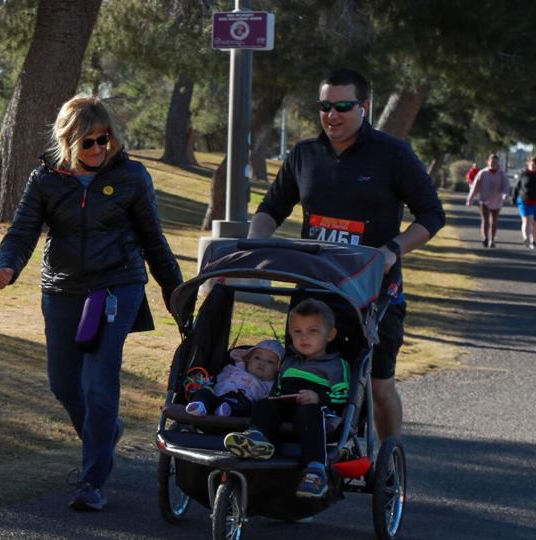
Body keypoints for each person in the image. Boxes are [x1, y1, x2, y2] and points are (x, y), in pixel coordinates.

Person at [0, 95, 183, 512]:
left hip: (117, 285)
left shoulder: (132, 176)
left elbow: (154, 239)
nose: (99, 149)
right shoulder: (45, 179)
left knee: (99, 382)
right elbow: (23, 231)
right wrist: (6, 264)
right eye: (89, 142)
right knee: (64, 383)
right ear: (68, 141)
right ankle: (104, 434)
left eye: (105, 139)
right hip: (62, 287)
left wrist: (175, 289)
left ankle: (92, 480)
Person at [245, 67, 444, 442]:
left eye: (343, 106)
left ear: (364, 106)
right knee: (299, 375)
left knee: (379, 384)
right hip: (314, 292)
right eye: (325, 106)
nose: (332, 115)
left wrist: (392, 251)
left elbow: (432, 215)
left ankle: (387, 461)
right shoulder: (304, 154)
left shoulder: (393, 154)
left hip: (374, 293)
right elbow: (271, 208)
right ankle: (301, 457)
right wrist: (257, 243)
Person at [223, 299, 349, 500]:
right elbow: (278, 388)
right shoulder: (289, 362)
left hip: (318, 411)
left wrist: (319, 398)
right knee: (266, 403)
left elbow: (342, 396)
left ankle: (316, 470)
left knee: (309, 411)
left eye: (312, 331)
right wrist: (276, 398)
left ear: (330, 335)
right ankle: (257, 438)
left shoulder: (335, 365)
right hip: (287, 406)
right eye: (297, 332)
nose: (304, 337)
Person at [184, 339, 284, 416]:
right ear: (248, 359)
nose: (262, 363)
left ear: (277, 369)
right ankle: (200, 406)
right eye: (257, 358)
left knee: (247, 408)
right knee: (204, 392)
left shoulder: (271, 385)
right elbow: (217, 379)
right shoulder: (235, 368)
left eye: (270, 362)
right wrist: (203, 381)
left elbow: (268, 403)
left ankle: (225, 411)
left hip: (240, 403)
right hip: (217, 395)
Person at [466, 153, 510, 247]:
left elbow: (506, 186)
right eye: (492, 161)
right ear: (488, 162)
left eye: (495, 162)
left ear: (498, 163)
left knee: (494, 220)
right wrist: (470, 199)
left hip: (497, 200)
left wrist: (505, 194)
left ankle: (492, 239)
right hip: (484, 199)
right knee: (485, 220)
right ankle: (485, 238)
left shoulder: (501, 174)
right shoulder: (482, 173)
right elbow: (475, 186)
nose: (493, 163)